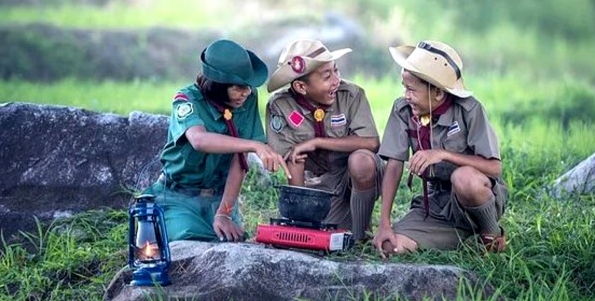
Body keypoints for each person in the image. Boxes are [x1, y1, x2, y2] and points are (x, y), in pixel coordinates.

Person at [145, 39, 290, 243]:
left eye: (248, 87)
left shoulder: (247, 99)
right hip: (179, 198)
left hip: (219, 200)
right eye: (239, 88)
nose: (246, 93)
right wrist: (255, 144)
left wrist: (224, 213)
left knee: (232, 243)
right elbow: (199, 140)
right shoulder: (187, 100)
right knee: (191, 240)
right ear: (219, 85)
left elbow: (239, 162)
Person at [373, 40, 508, 257]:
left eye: (411, 89)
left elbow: (494, 168)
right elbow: (394, 164)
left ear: (438, 92)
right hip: (437, 206)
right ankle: (460, 238)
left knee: (464, 178)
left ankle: (490, 234)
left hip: (475, 197)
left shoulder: (469, 110)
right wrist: (384, 223)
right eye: (404, 87)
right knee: (390, 247)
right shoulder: (403, 110)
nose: (406, 95)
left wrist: (443, 154)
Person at [265, 39, 384, 242]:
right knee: (318, 234)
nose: (336, 80)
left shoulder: (351, 95)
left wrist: (318, 142)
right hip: (317, 187)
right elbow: (291, 159)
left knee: (361, 161)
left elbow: (371, 142)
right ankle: (317, 222)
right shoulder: (281, 106)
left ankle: (361, 233)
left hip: (349, 177)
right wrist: (297, 218)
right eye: (327, 76)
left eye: (336, 71)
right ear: (301, 87)